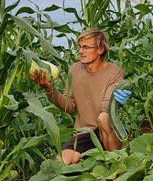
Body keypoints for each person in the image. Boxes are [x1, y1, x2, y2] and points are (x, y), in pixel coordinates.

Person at [29, 28, 131, 165]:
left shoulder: (114, 72)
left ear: (100, 49)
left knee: (104, 117)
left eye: (86, 47)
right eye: (80, 47)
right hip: (83, 133)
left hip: (104, 131)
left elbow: (105, 108)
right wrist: (49, 88)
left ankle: (116, 164)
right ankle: (87, 161)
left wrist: (117, 101)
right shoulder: (75, 70)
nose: (80, 51)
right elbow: (68, 106)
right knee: (60, 163)